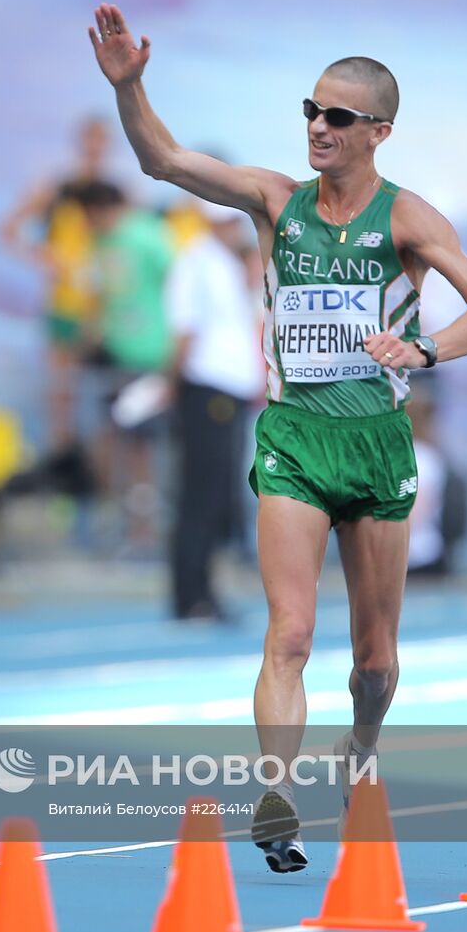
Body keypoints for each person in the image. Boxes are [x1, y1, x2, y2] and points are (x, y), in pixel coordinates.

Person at [88, 3, 467, 871]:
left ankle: (360, 746)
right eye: (310, 111)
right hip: (292, 439)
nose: (318, 127)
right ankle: (276, 797)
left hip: (378, 445)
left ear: (378, 133)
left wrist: (424, 347)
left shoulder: (410, 220)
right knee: (288, 634)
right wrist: (133, 90)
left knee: (374, 660)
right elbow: (163, 161)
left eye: (338, 118)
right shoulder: (274, 200)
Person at [166, 200, 264, 621]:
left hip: (225, 392)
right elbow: (185, 330)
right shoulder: (196, 262)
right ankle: (192, 593)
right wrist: (173, 384)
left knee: (217, 496)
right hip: (208, 390)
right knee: (201, 496)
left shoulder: (223, 264)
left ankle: (202, 589)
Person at [0, 116, 116, 449]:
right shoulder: (58, 189)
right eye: (91, 141)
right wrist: (41, 256)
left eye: (102, 143)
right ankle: (62, 463)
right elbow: (8, 229)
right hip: (64, 305)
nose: (96, 150)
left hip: (102, 309)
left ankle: (95, 474)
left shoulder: (115, 193)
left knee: (105, 397)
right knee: (62, 393)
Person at [78, 179, 174, 550]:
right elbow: (103, 297)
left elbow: (176, 282)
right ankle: (124, 523)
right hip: (115, 358)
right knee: (111, 444)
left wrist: (171, 347)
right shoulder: (101, 243)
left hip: (151, 357)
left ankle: (144, 530)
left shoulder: (147, 235)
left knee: (143, 449)